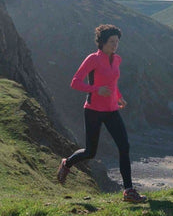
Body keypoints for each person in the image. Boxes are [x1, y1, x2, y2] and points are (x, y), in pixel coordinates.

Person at [57, 24, 147, 203]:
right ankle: (67, 163)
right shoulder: (93, 59)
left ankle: (128, 191)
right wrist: (97, 89)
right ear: (102, 42)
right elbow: (75, 82)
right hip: (93, 111)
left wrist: (119, 97)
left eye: (117, 42)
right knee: (90, 152)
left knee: (124, 147)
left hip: (112, 110)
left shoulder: (117, 59)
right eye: (111, 42)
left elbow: (113, 83)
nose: (115, 45)